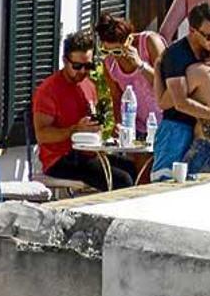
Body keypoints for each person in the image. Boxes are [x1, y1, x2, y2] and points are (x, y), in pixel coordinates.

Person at [32, 30, 137, 191]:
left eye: (88, 66)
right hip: (61, 159)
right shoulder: (49, 90)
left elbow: (93, 123)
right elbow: (42, 135)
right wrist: (74, 129)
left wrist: (103, 130)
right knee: (122, 180)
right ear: (65, 61)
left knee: (133, 169)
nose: (82, 71)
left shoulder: (88, 85)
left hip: (88, 152)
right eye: (77, 66)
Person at [150, 3, 210, 181]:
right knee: (165, 182)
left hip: (200, 134)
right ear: (192, 31)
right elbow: (175, 102)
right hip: (176, 128)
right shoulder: (177, 56)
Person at [95, 13, 166, 139]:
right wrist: (118, 123)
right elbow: (117, 97)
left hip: (166, 122)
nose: (114, 56)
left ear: (129, 40)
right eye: (106, 51)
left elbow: (166, 82)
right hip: (137, 126)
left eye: (117, 51)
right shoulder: (109, 63)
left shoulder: (149, 43)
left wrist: (141, 65)